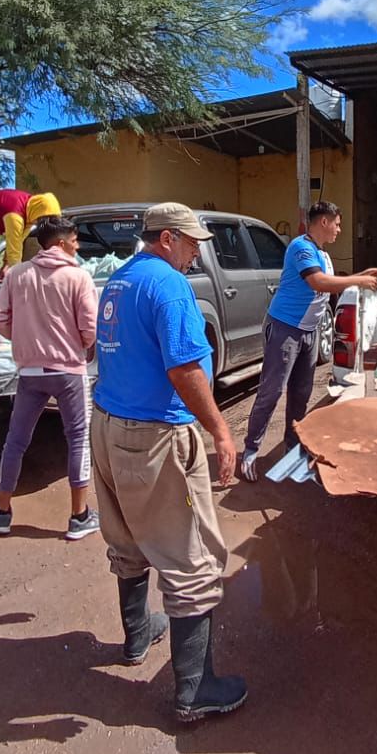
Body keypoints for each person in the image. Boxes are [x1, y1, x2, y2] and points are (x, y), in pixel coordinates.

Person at [91, 202, 246, 722]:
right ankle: (195, 691)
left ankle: (138, 635)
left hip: (108, 425)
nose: (197, 250)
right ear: (166, 239)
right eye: (191, 241)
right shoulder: (170, 285)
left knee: (127, 539)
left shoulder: (120, 280)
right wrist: (220, 431)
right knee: (192, 557)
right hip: (154, 436)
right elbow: (184, 369)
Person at [240, 201, 377, 481]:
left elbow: (329, 280)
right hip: (285, 328)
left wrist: (359, 276)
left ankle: (293, 448)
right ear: (324, 222)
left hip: (309, 330)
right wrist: (358, 282)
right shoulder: (300, 247)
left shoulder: (323, 253)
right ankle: (250, 450)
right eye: (337, 224)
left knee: (301, 393)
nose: (339, 230)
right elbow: (317, 282)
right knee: (272, 391)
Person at [0, 215, 99, 539]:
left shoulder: (17, 274)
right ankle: (79, 516)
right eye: (75, 241)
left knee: (16, 441)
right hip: (68, 372)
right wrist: (81, 345)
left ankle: (2, 513)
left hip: (30, 373)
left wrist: (25, 339)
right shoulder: (78, 277)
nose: (78, 246)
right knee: (78, 439)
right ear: (62, 243)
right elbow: (90, 328)